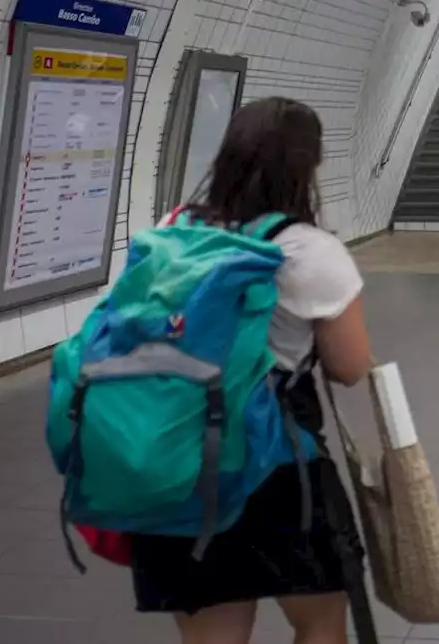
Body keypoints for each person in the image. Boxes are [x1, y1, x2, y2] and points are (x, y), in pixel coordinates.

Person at [132, 97, 374, 644]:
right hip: (277, 466)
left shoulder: (175, 229)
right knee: (319, 624)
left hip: (176, 459)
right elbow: (350, 367)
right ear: (307, 166)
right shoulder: (310, 250)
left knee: (212, 633)